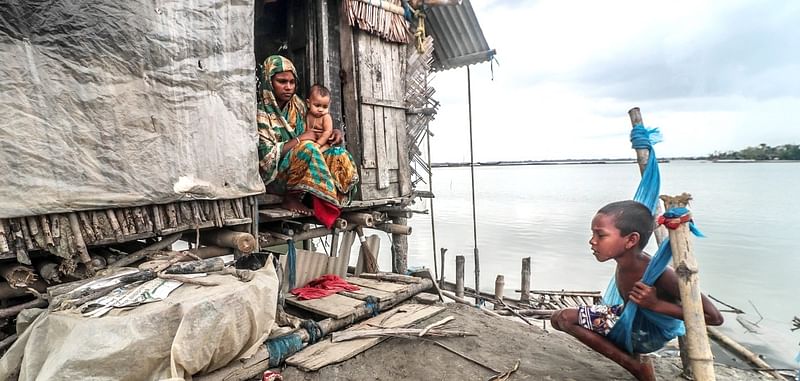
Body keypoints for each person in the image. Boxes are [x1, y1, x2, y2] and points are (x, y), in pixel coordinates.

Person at [550, 200, 724, 381]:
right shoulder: (625, 261)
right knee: (556, 319)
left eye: (600, 235)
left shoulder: (660, 274)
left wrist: (656, 305)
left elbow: (715, 318)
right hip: (627, 319)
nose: (592, 241)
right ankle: (633, 359)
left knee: (565, 318)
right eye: (593, 234)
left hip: (645, 333)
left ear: (631, 240)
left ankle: (636, 367)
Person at [256, 55, 359, 226]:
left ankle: (331, 199)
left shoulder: (299, 105)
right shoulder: (260, 114)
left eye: (292, 82)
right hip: (276, 178)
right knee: (308, 148)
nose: (288, 87)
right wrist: (299, 139)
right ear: (268, 81)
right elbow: (265, 160)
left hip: (305, 163)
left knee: (338, 153)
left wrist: (334, 132)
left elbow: (317, 126)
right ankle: (291, 198)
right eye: (282, 81)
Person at [305, 84, 334, 153]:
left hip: (324, 143)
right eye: (317, 105)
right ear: (308, 103)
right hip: (310, 141)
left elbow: (328, 132)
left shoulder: (326, 117)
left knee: (319, 151)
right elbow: (305, 127)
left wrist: (318, 143)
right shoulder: (308, 115)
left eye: (325, 107)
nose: (321, 109)